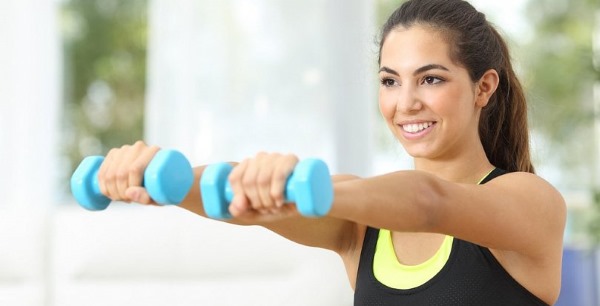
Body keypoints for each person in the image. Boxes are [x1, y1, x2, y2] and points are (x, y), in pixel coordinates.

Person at [94, 0, 566, 305]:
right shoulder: (359, 226)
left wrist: (304, 189)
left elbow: (430, 202)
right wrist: (159, 179)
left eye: (431, 78)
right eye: (389, 81)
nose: (405, 103)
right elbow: (239, 201)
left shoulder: (530, 201)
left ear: (483, 87)